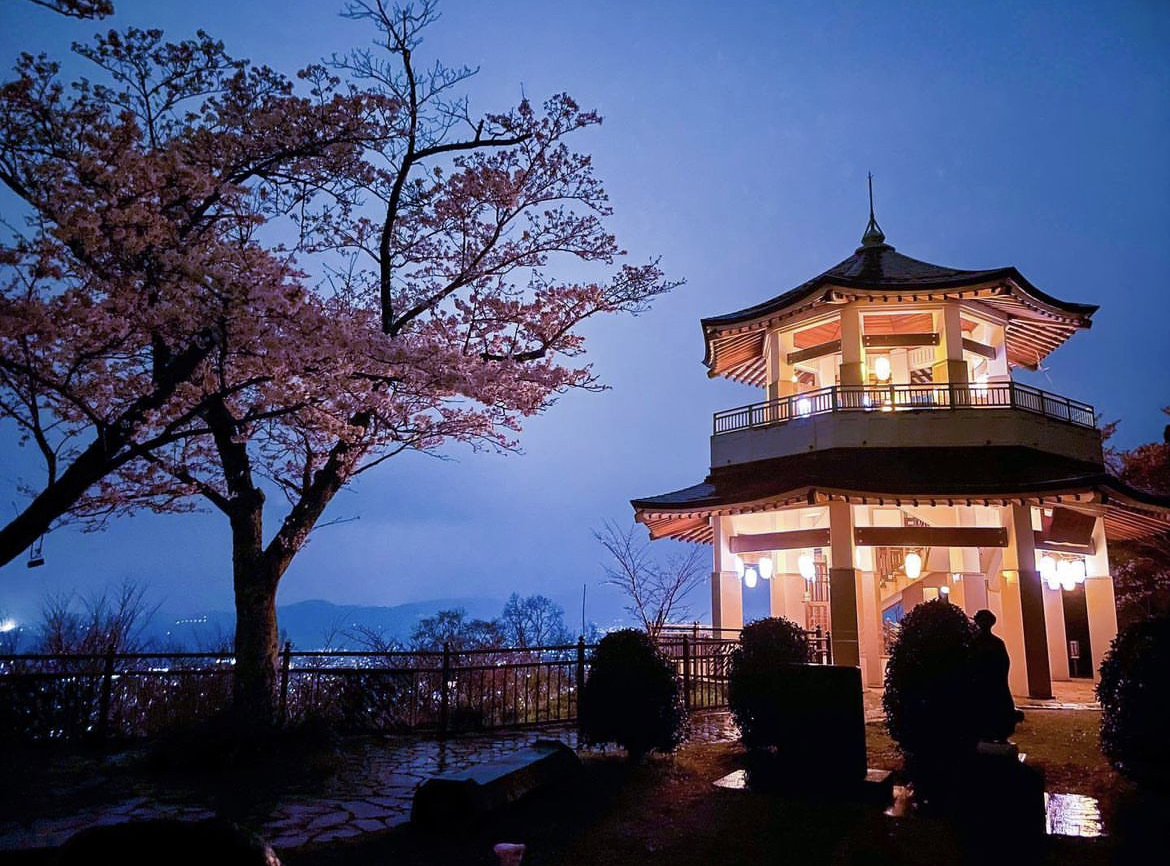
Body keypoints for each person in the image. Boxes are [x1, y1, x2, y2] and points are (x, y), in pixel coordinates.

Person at [970, 609, 1022, 742]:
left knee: (999, 709)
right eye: (982, 620)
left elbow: (1004, 663)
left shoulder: (997, 643)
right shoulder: (974, 643)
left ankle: (999, 733)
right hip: (980, 683)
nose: (984, 624)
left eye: (986, 621)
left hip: (994, 683)